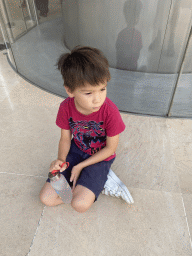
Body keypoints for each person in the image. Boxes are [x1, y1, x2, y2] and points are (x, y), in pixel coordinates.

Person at [39, 46, 134, 213]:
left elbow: (111, 148)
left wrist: (80, 166)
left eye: (102, 89)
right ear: (70, 90)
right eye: (88, 93)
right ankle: (86, 187)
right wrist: (60, 160)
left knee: (79, 205)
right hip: (76, 151)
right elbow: (65, 138)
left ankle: (103, 180)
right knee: (47, 198)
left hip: (100, 158)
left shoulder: (110, 112)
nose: (98, 99)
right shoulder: (65, 107)